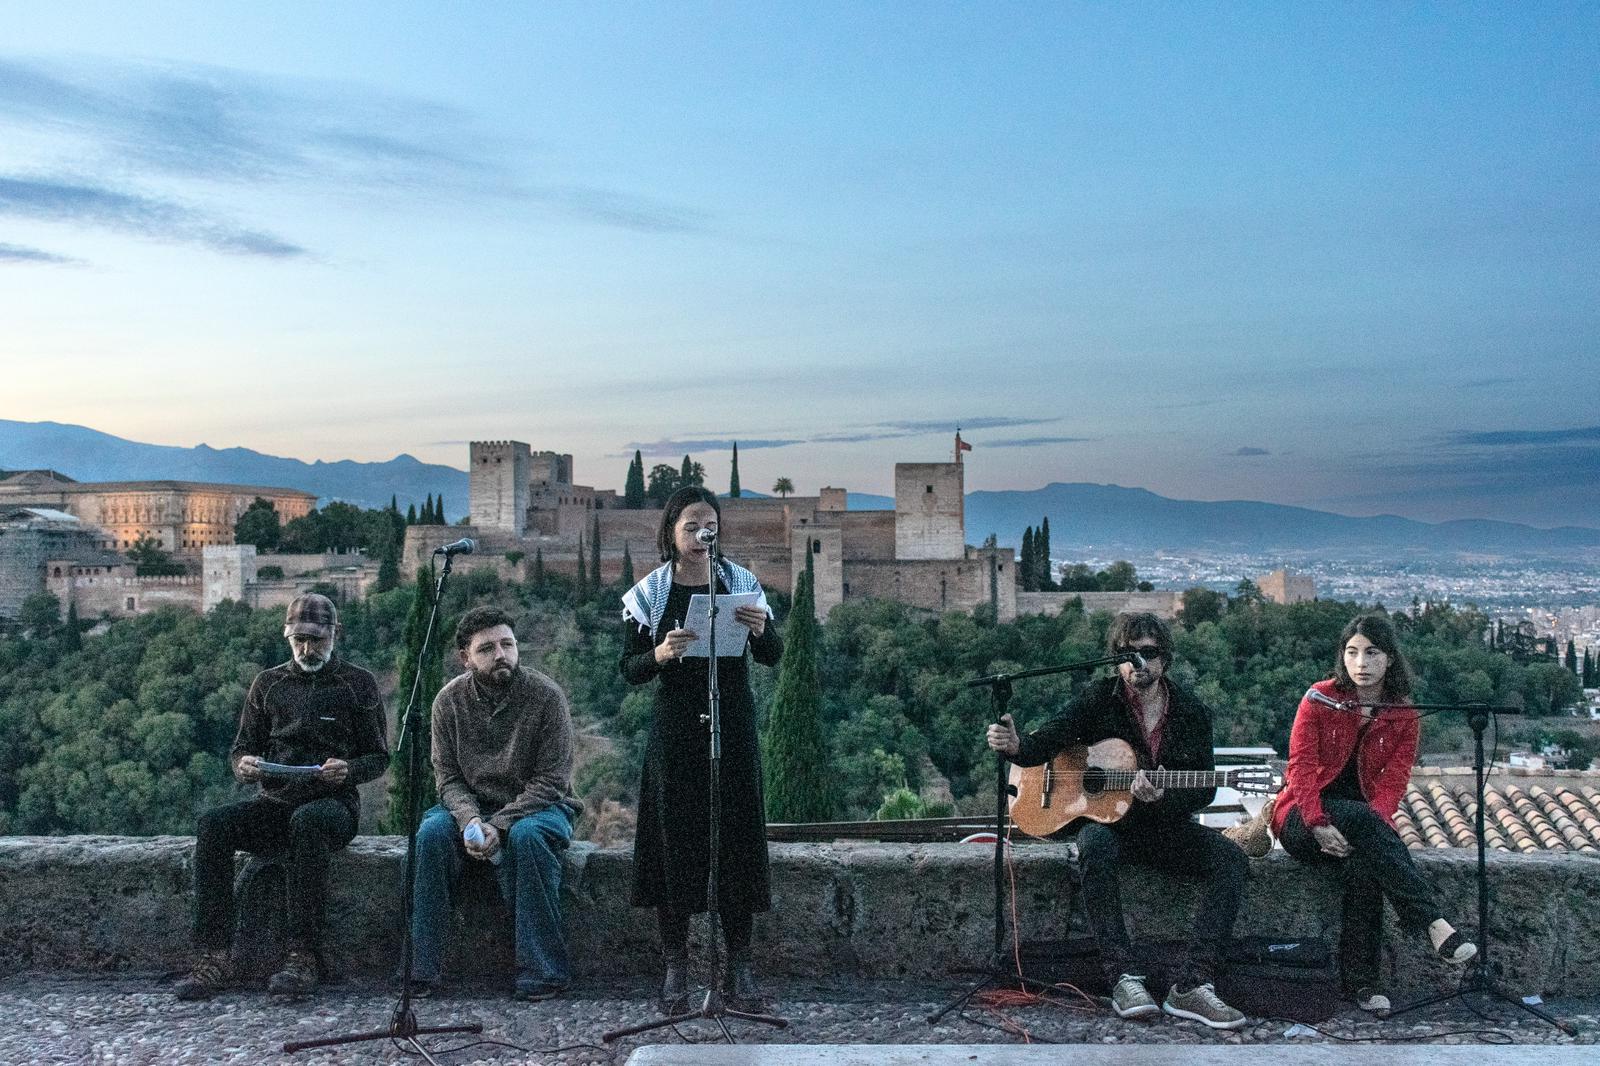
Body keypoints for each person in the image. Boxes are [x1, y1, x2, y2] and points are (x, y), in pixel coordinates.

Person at [986, 611, 1249, 1029]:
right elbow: (1048, 741)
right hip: (1111, 829)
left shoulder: (1191, 713)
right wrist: (1017, 746)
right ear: (1116, 660)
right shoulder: (1100, 699)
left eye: (1148, 653)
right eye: (1128, 655)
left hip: (1162, 828)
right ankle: (1123, 976)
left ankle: (1193, 985)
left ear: (1165, 659)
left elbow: (1204, 788)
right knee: (1094, 844)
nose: (1137, 664)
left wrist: (1163, 796)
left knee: (1232, 861)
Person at [620, 485, 783, 1013]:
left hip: (731, 725)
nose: (699, 535)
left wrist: (761, 632)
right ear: (671, 530)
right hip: (676, 733)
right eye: (689, 526)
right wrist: (662, 652)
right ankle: (676, 967)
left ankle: (740, 964)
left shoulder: (740, 583)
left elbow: (774, 656)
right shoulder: (649, 592)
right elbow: (629, 670)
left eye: (707, 526)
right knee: (676, 843)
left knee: (735, 841)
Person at [177, 593, 389, 1000]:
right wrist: (244, 765)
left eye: (317, 641)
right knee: (213, 826)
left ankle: (303, 955)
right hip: (274, 803)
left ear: (335, 636)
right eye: (300, 641)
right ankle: (213, 956)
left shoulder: (358, 683)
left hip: (333, 806)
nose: (308, 650)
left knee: (307, 822)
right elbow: (241, 748)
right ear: (287, 637)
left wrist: (349, 769)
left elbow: (379, 757)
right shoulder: (268, 683)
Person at [1271, 614, 1477, 1014]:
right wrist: (1316, 823)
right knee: (1366, 829)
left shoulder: (1403, 714)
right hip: (1300, 815)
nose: (1361, 662)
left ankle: (1362, 986)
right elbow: (1299, 767)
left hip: (1359, 825)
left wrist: (1372, 821)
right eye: (1352, 652)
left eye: (1371, 652)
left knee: (1367, 870)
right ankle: (1431, 922)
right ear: (1342, 658)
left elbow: (1393, 783)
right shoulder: (1319, 698)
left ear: (1390, 660)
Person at [409, 606, 582, 1001]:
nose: (501, 654)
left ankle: (543, 971)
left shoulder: (545, 697)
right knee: (431, 834)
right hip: (473, 806)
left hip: (540, 807)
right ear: (465, 658)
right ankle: (421, 970)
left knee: (527, 838)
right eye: (487, 649)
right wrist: (471, 820)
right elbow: (448, 778)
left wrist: (498, 825)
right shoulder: (447, 702)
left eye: (508, 644)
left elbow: (552, 781)